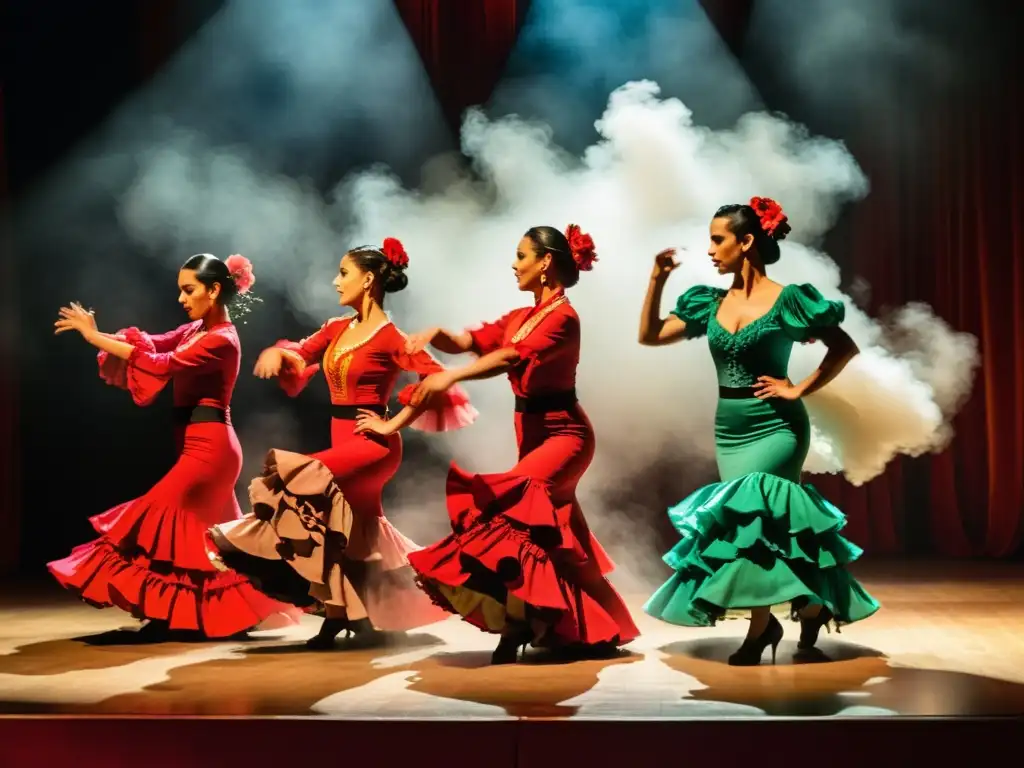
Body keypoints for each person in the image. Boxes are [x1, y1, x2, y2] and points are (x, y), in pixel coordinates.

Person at [638, 197, 880, 666]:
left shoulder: (789, 299)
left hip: (778, 428)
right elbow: (649, 336)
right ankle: (809, 606)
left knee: (756, 519)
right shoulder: (709, 301)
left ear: (746, 241)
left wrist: (799, 389)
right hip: (730, 428)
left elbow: (844, 347)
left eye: (718, 239)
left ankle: (761, 626)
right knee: (756, 528)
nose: (710, 249)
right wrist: (657, 277)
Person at [207, 238, 477, 649]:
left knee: (299, 479)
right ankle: (348, 616)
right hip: (342, 437)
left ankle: (331, 608)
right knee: (350, 536)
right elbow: (302, 353)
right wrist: (283, 356)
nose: (336, 282)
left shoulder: (390, 338)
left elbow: (436, 380)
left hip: (372, 446)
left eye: (344, 273)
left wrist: (394, 425)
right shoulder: (337, 328)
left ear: (368, 280)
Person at [402, 224, 641, 665]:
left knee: (505, 511)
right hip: (530, 434)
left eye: (521, 255)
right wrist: (435, 333)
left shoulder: (563, 318)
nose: (514, 264)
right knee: (555, 538)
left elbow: (512, 357)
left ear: (545, 262)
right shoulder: (519, 316)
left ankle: (515, 628)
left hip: (564, 435)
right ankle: (591, 627)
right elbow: (470, 342)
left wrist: (450, 376)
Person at [48, 254, 301, 639]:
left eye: (189, 290)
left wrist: (94, 337)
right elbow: (151, 344)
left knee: (150, 520)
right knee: (204, 545)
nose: (182, 298)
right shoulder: (197, 329)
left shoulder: (222, 340)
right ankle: (206, 615)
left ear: (214, 290)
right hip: (197, 446)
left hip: (211, 451)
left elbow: (162, 364)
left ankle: (177, 613)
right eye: (180, 290)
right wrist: (102, 334)